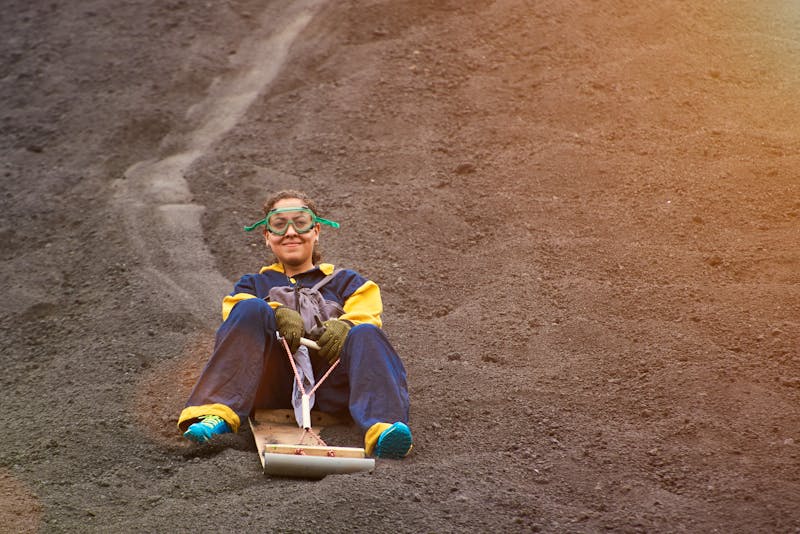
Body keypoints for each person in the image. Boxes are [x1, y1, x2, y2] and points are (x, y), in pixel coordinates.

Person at [177, 190, 412, 459]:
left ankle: (383, 428)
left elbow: (367, 312)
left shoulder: (348, 282)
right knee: (251, 308)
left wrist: (345, 324)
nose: (290, 232)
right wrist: (275, 312)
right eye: (279, 225)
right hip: (272, 385)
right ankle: (214, 415)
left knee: (366, 332)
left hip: (332, 389)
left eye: (300, 222)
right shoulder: (252, 284)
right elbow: (234, 314)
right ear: (267, 237)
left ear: (316, 231)